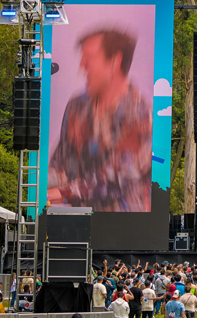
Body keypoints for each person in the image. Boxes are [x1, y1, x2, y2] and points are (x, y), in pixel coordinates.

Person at [47, 29, 152, 211]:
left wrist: (62, 193)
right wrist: (38, 186)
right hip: (78, 221)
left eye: (89, 58)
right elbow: (61, 165)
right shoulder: (76, 106)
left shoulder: (142, 115)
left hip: (127, 222)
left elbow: (116, 178)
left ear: (115, 61)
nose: (82, 66)